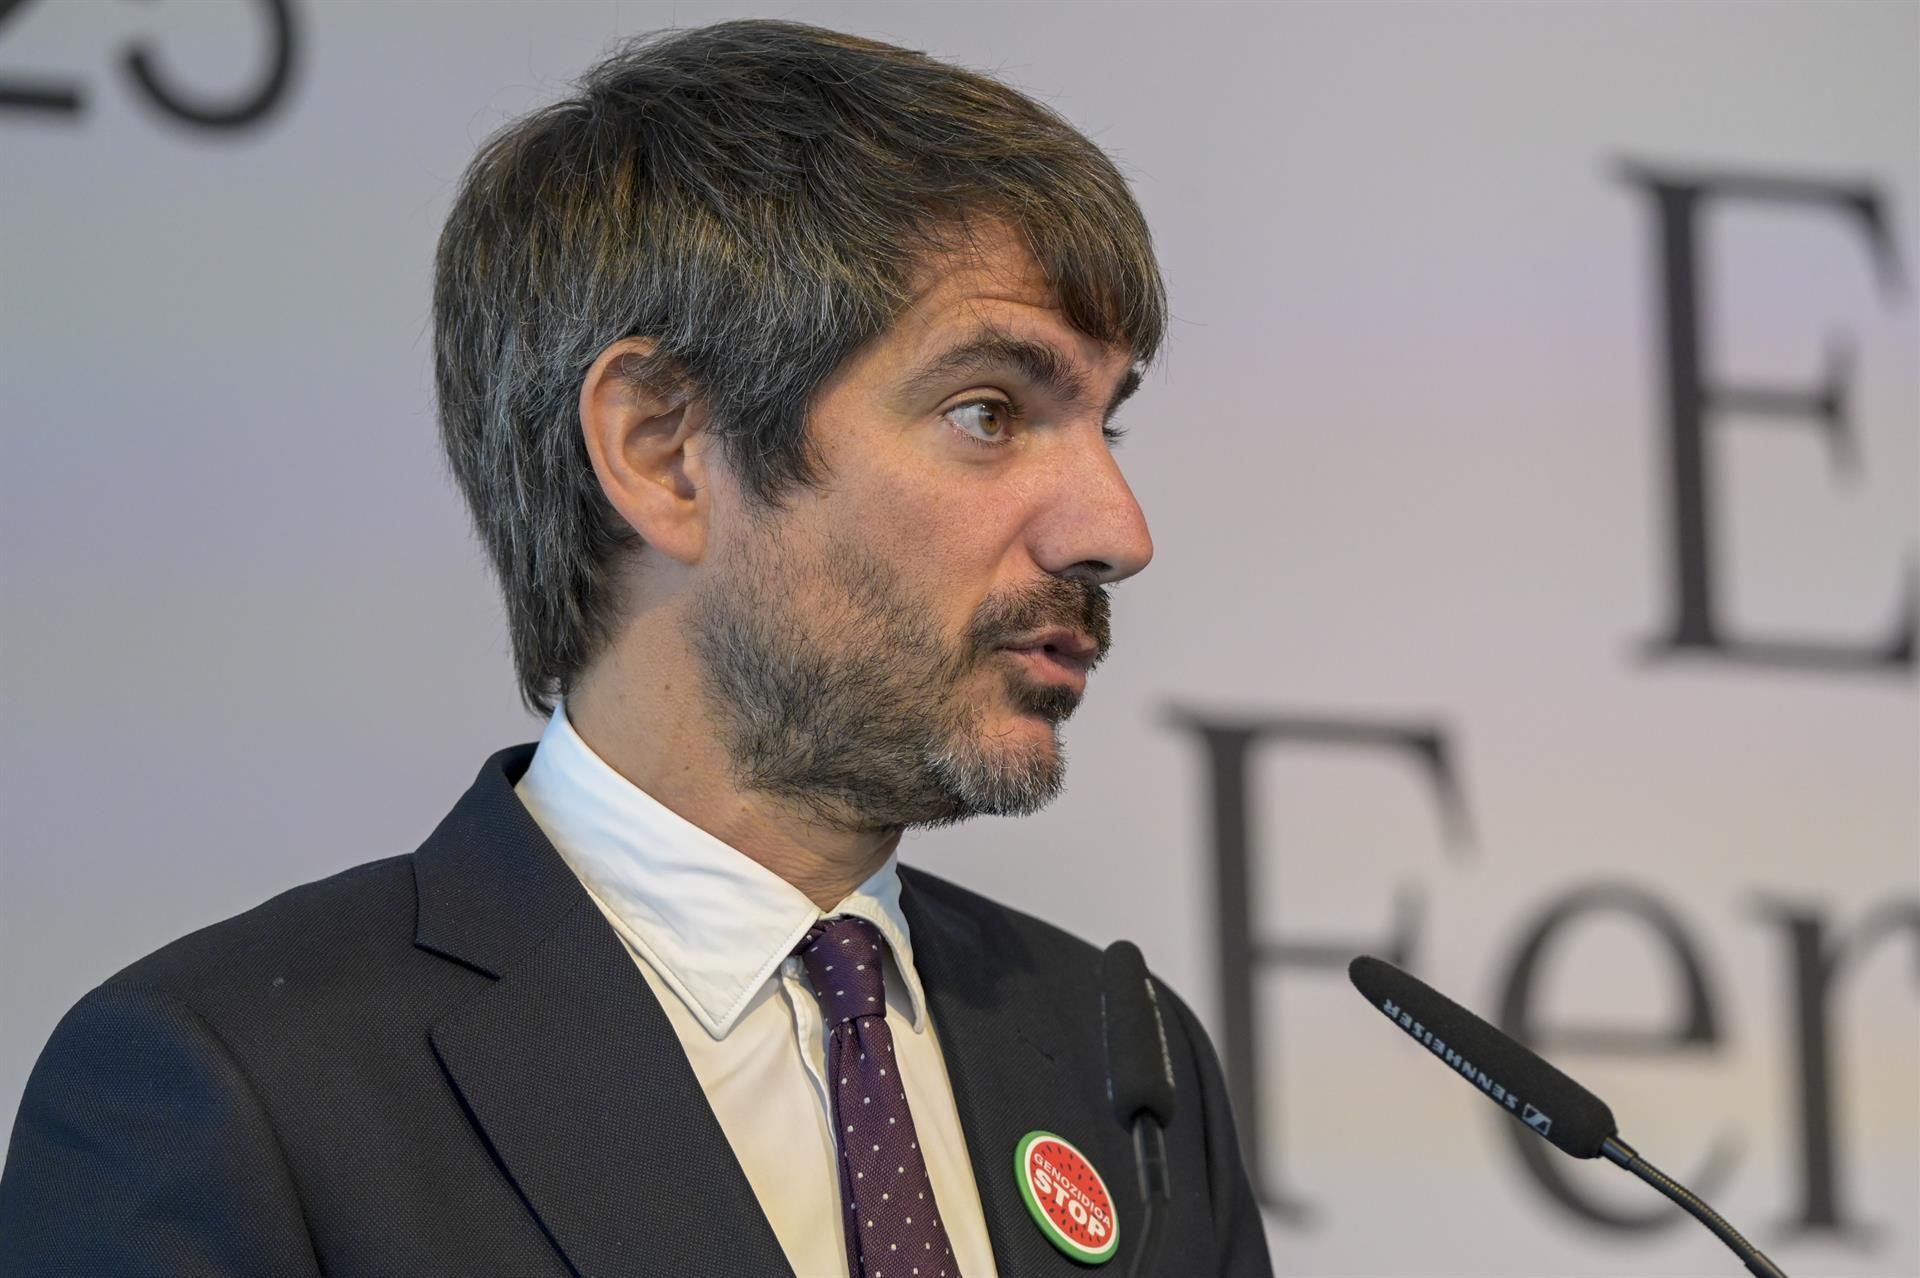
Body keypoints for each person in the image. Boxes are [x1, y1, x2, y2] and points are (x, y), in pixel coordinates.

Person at [0, 19, 1271, 1277]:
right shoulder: (234, 1094)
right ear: (663, 452)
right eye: (988, 412)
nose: (1116, 532)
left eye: (1106, 425)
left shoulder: (1118, 1058)